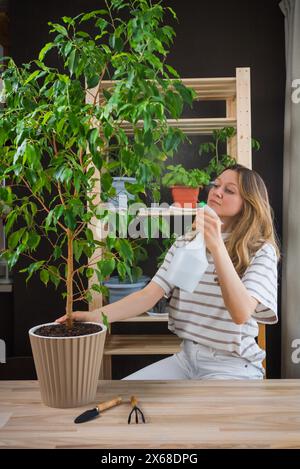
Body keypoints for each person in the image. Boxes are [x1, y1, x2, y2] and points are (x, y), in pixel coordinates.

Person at [56, 164, 280, 380]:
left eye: (229, 190)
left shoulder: (260, 251)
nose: (217, 192)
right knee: (125, 396)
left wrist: (217, 246)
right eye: (216, 185)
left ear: (249, 204)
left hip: (233, 366)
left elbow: (241, 313)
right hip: (186, 359)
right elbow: (148, 296)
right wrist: (94, 318)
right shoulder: (186, 241)